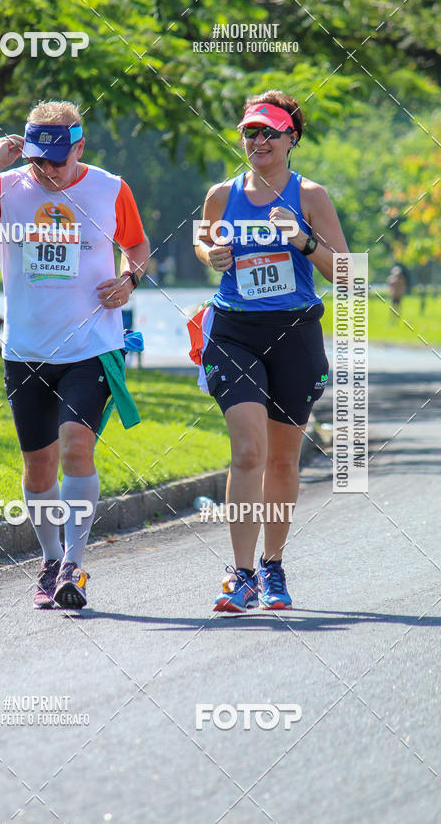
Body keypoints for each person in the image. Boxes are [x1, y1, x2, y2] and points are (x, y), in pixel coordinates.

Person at [0, 100, 149, 609]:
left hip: (91, 346)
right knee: (38, 469)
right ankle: (51, 559)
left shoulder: (110, 188)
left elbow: (137, 247)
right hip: (26, 350)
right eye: (37, 158)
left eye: (57, 158)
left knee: (77, 446)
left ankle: (74, 564)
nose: (47, 169)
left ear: (80, 146)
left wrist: (129, 279)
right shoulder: (9, 186)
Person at [190, 90, 349, 613]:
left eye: (270, 132)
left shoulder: (311, 195)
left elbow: (347, 273)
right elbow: (201, 237)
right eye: (250, 132)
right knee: (248, 451)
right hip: (233, 331)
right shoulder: (220, 194)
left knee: (282, 458)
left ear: (291, 139)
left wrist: (303, 240)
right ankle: (239, 574)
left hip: (295, 333)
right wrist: (209, 253)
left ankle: (272, 566)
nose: (258, 141)